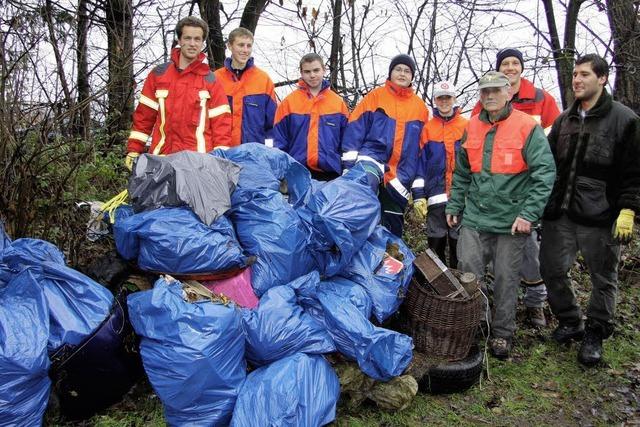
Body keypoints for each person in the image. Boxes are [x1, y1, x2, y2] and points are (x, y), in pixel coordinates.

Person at [446, 71, 555, 359]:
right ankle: (476, 324)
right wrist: (454, 205)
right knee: (469, 274)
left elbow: (545, 174)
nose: (490, 96)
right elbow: (462, 173)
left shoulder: (526, 127)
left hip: (511, 220)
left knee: (507, 279)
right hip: (475, 218)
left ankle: (502, 334)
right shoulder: (471, 128)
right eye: (484, 92)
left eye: (495, 90)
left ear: (508, 92)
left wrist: (528, 214)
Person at [540, 54, 640, 366]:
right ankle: (570, 320)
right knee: (551, 268)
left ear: (602, 78)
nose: (577, 80)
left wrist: (628, 209)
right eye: (574, 75)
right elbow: (550, 165)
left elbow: (635, 171)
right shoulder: (564, 120)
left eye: (584, 74)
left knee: (603, 276)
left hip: (602, 215)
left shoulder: (625, 120)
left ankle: (596, 331)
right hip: (562, 212)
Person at [472, 48, 562, 327]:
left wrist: (540, 194)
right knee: (495, 262)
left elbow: (555, 142)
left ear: (521, 68)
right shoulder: (485, 104)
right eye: (505, 63)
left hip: (528, 194)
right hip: (493, 201)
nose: (510, 67)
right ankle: (491, 310)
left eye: (515, 63)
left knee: (531, 256)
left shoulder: (540, 99)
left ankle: (535, 304)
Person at [125, 16, 232, 168]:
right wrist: (134, 150)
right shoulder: (158, 75)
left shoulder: (211, 81)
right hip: (162, 160)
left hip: (198, 164)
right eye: (187, 38)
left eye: (197, 39)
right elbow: (144, 117)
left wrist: (220, 162)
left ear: (202, 43)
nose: (192, 44)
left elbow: (222, 126)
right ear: (179, 40)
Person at [341, 54, 429, 237]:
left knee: (392, 224)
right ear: (391, 73)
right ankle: (355, 253)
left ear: (412, 76)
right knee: (362, 202)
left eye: (407, 71)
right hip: (371, 160)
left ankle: (390, 259)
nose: (402, 74)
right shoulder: (375, 96)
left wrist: (418, 192)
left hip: (400, 174)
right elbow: (355, 129)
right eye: (398, 69)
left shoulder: (420, 108)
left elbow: (423, 150)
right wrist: (348, 167)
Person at [414, 80, 468, 268]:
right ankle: (437, 289)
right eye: (440, 98)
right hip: (435, 198)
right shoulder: (428, 128)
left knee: (459, 247)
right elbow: (420, 165)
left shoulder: (466, 126)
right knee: (435, 245)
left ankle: (459, 286)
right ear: (435, 100)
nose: (444, 102)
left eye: (448, 98)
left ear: (454, 99)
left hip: (461, 198)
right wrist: (418, 196)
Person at [273, 53, 349, 181]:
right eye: (307, 71)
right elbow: (279, 141)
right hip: (297, 172)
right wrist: (281, 171)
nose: (312, 75)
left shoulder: (338, 103)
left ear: (324, 70)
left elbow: (347, 141)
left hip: (332, 173)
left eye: (316, 70)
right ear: (301, 73)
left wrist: (348, 167)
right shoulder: (289, 103)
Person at [214, 27, 277, 146]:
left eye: (249, 46)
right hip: (222, 153)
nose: (245, 50)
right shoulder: (216, 79)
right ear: (229, 46)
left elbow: (273, 125)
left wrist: (268, 153)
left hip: (254, 155)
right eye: (241, 45)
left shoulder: (263, 80)